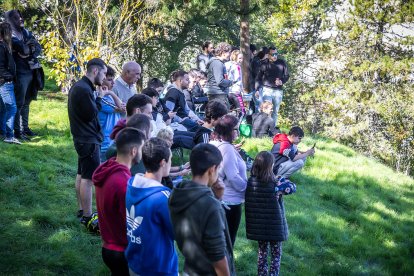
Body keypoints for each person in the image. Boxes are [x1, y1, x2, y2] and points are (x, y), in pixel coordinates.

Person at [169, 143, 235, 276]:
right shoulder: (211, 207)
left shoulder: (177, 193)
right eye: (218, 169)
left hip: (191, 267)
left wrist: (217, 198)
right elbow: (218, 256)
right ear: (212, 169)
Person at [92, 127, 145, 276]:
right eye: (142, 148)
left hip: (108, 246)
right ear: (134, 151)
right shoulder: (123, 183)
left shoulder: (108, 169)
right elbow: (132, 223)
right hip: (122, 251)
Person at [125, 138, 178, 276]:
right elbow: (177, 232)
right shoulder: (162, 197)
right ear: (163, 162)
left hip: (135, 262)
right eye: (170, 160)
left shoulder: (132, 184)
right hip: (158, 268)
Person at [67, 58, 108, 232]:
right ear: (95, 71)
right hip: (87, 139)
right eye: (104, 73)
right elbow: (90, 115)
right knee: (88, 179)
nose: (105, 77)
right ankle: (88, 217)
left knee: (81, 174)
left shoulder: (82, 87)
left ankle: (82, 210)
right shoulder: (83, 89)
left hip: (84, 138)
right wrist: (99, 98)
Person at [245, 151, 296, 276]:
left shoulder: (251, 182)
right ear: (271, 166)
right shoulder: (276, 183)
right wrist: (279, 188)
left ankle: (261, 274)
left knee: (262, 252)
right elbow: (292, 187)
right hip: (275, 227)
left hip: (260, 227)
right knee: (276, 254)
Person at [210, 114, 247, 246]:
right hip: (230, 203)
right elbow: (233, 176)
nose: (238, 131)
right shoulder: (227, 149)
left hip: (223, 200)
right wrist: (247, 188)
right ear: (229, 131)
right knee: (228, 242)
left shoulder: (219, 145)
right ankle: (226, 266)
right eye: (236, 129)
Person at [5, 10, 42, 140]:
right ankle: (17, 131)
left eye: (20, 16)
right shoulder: (8, 35)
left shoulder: (26, 32)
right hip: (19, 73)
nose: (20, 19)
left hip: (31, 71)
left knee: (27, 101)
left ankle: (25, 128)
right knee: (19, 102)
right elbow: (23, 48)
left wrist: (28, 51)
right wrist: (27, 48)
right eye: (16, 18)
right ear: (9, 20)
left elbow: (37, 48)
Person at [255, 46, 289, 126]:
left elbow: (287, 75)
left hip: (278, 91)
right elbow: (258, 77)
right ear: (268, 55)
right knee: (266, 110)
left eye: (276, 54)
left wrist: (281, 81)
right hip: (267, 89)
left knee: (275, 111)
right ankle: (263, 128)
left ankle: (272, 129)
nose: (275, 56)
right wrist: (257, 89)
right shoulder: (264, 63)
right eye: (273, 54)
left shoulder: (282, 63)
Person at [98, 66, 125, 161]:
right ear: (102, 80)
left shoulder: (108, 96)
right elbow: (122, 108)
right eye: (110, 80)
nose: (113, 83)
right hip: (104, 142)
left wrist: (110, 93)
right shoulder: (101, 98)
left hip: (110, 140)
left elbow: (123, 107)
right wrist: (112, 93)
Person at [0, 22, 19, 144]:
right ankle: (8, 135)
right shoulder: (1, 47)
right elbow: (0, 66)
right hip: (5, 82)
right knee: (11, 108)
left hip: (5, 81)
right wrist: (8, 76)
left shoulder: (4, 46)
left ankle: (4, 133)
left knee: (4, 109)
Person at [204, 42, 233, 107]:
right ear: (223, 52)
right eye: (229, 52)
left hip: (218, 94)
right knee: (222, 116)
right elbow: (220, 81)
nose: (230, 54)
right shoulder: (217, 63)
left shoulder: (218, 63)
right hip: (218, 94)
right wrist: (230, 82)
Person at [225, 49, 245, 114]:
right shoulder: (230, 65)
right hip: (233, 92)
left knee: (237, 111)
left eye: (242, 58)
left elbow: (240, 80)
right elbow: (230, 79)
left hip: (235, 91)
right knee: (241, 112)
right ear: (234, 57)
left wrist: (242, 90)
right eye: (239, 58)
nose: (241, 60)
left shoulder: (237, 66)